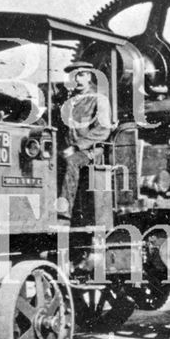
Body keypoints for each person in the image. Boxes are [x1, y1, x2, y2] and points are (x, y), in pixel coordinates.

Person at [55, 61, 111, 220]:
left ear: (88, 76)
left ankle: (63, 212)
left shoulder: (99, 99)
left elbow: (103, 130)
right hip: (69, 148)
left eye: (80, 75)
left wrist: (76, 147)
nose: (77, 80)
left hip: (92, 151)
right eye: (73, 76)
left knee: (71, 161)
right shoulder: (69, 102)